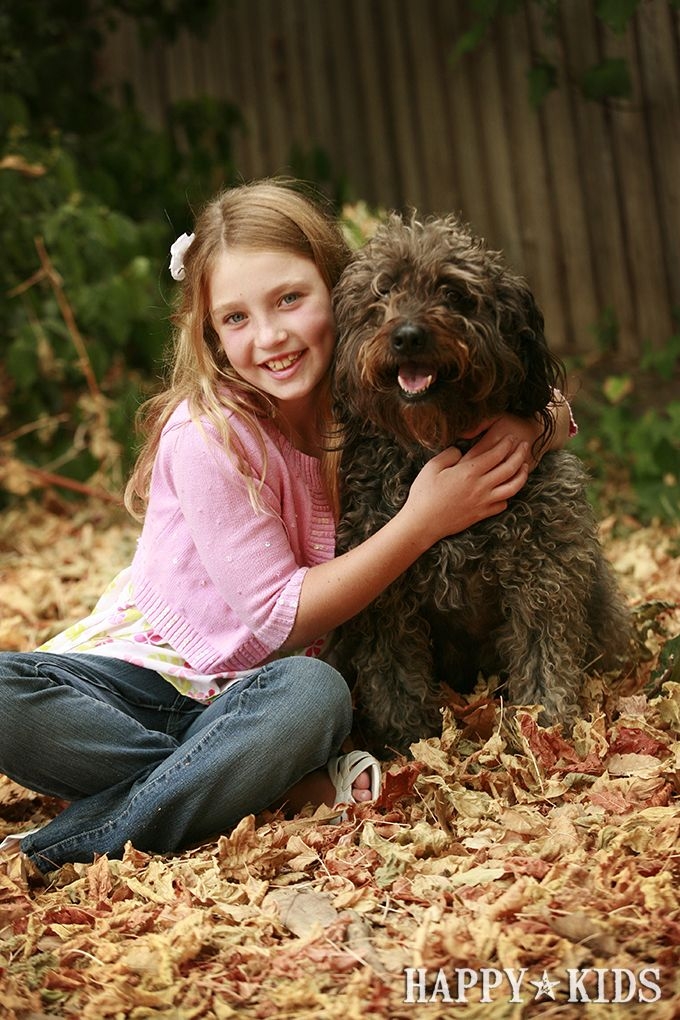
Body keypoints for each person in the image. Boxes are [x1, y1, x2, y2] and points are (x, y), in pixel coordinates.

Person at [0, 179, 575, 875]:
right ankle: (257, 779)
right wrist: (423, 520)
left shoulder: (370, 397)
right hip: (143, 681)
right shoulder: (209, 433)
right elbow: (278, 618)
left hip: (270, 702)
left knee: (314, 697)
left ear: (343, 293)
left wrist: (538, 423)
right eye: (235, 318)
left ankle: (99, 829)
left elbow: (513, 381)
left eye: (291, 300)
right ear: (209, 332)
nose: (269, 337)